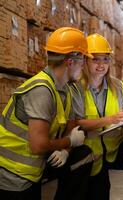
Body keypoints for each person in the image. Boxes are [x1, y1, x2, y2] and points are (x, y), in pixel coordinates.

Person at [0, 27, 93, 200]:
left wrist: (66, 149)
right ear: (71, 62)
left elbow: (72, 126)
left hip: (34, 167)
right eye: (83, 60)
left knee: (83, 154)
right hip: (11, 175)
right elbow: (38, 145)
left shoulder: (64, 89)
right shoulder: (42, 91)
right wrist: (69, 141)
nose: (84, 66)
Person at [73, 33, 123, 200]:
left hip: (114, 148)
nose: (102, 65)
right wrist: (111, 119)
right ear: (85, 61)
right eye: (96, 59)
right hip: (91, 154)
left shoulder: (117, 85)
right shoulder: (76, 88)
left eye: (106, 59)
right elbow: (77, 123)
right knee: (100, 192)